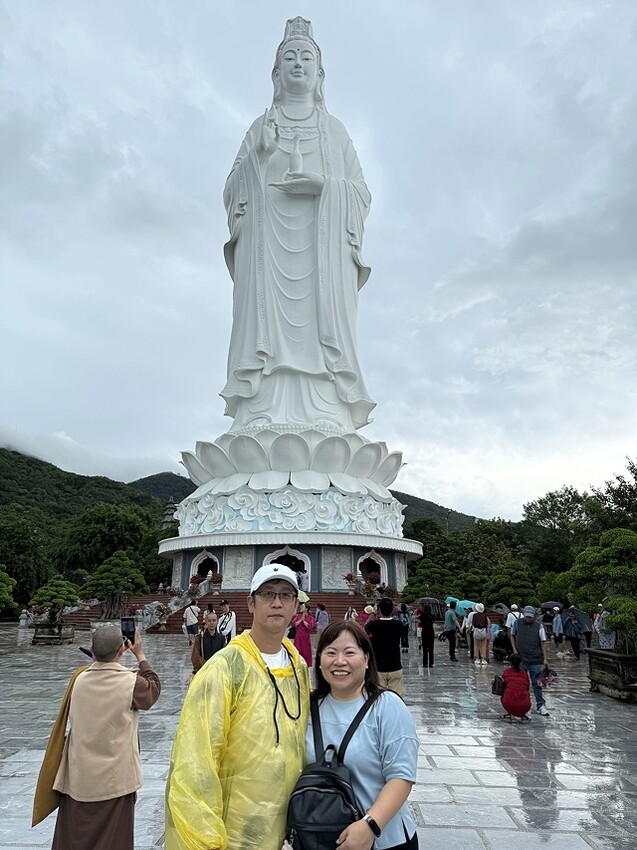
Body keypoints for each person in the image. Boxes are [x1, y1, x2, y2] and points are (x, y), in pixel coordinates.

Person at [221, 16, 375, 434]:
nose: (298, 64)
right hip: (268, 252)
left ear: (320, 74)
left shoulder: (335, 131)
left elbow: (360, 192)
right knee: (266, 328)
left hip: (321, 257)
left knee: (321, 329)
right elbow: (232, 192)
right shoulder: (259, 128)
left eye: (307, 57)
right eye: (289, 57)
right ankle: (261, 411)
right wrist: (259, 156)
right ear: (275, 73)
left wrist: (323, 186)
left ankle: (326, 410)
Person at [165, 563, 310, 850]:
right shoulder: (224, 668)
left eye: (285, 595)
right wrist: (205, 839)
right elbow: (196, 762)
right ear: (251, 603)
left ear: (296, 606)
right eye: (268, 594)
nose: (277, 603)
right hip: (234, 831)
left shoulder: (298, 666)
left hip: (287, 829)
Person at [308, 621, 419, 850]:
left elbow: (401, 776)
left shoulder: (388, 706)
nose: (340, 661)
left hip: (383, 839)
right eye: (330, 652)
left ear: (367, 659)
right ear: (319, 661)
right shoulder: (306, 708)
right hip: (317, 838)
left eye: (350, 652)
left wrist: (370, 825)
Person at [50, 624, 160, 850]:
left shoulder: (78, 681)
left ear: (91, 650)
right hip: (114, 779)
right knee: (113, 841)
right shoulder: (130, 683)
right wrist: (139, 654)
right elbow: (153, 689)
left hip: (80, 777)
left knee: (75, 838)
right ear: (122, 649)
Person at [510, 606, 550, 717]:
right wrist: (514, 650)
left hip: (535, 658)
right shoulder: (517, 623)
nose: (528, 619)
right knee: (522, 683)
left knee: (537, 683)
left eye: (530, 617)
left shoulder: (539, 626)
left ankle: (540, 705)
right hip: (521, 658)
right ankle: (524, 705)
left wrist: (545, 658)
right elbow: (512, 635)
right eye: (526, 616)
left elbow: (543, 642)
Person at [364, 597, 404, 697]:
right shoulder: (398, 625)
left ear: (379, 610)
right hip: (395, 666)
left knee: (377, 697)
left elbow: (365, 627)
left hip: (378, 667)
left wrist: (373, 613)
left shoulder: (373, 625)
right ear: (392, 610)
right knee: (396, 697)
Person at [500, 653, 532, 721]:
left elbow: (503, 685)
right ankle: (522, 714)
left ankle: (510, 712)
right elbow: (527, 688)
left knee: (503, 693)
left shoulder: (507, 672)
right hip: (525, 705)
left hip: (509, 704)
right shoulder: (524, 673)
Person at [290, 601, 315, 667]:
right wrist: (300, 620)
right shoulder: (298, 616)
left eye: (303, 607)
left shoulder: (310, 618)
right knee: (297, 649)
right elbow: (293, 624)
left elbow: (310, 626)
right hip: (298, 636)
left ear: (306, 609)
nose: (301, 607)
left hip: (305, 636)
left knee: (306, 651)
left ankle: (306, 663)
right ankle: (297, 662)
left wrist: (304, 621)